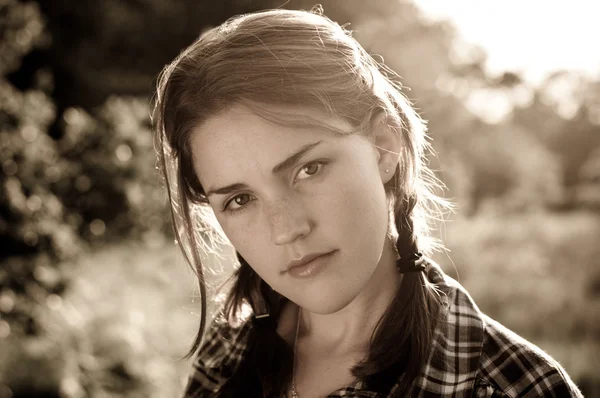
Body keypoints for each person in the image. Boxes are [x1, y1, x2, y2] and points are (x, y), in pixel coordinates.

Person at [152, 6, 583, 398]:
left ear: (384, 146)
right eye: (241, 199)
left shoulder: (517, 388)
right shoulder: (228, 350)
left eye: (309, 169)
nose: (286, 229)